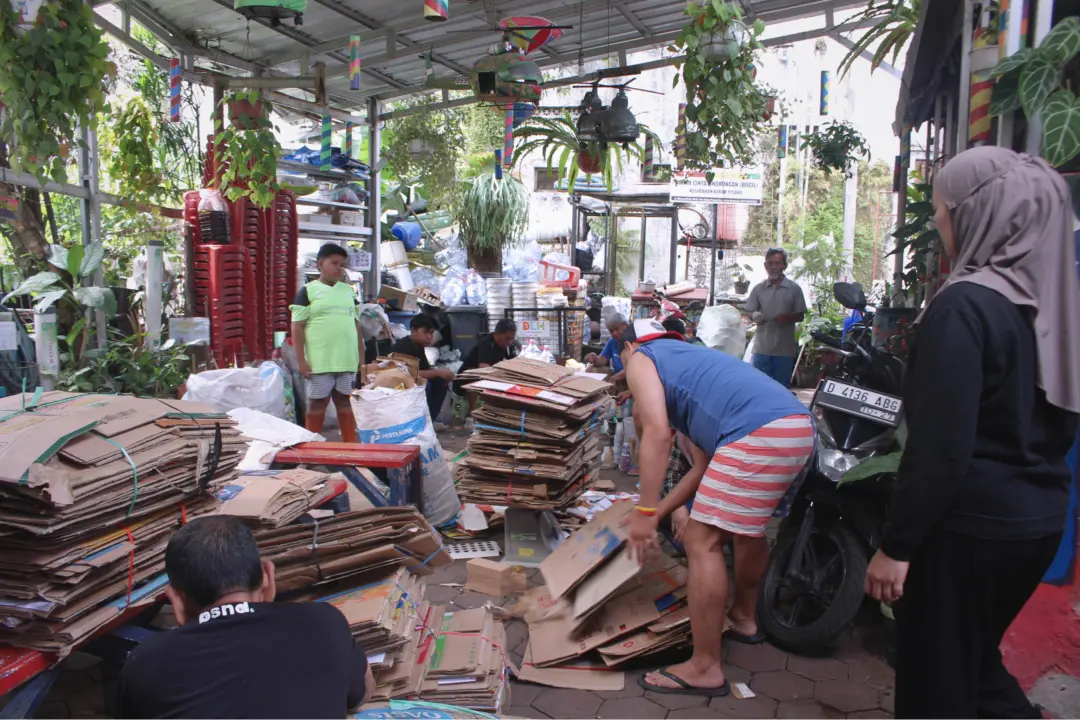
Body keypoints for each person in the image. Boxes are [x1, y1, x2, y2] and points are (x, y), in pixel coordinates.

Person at [862, 147, 1080, 719]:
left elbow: (939, 450)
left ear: (980, 214)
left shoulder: (965, 307)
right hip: (1037, 522)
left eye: (941, 210)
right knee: (975, 669)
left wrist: (896, 546)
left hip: (969, 533)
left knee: (937, 683)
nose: (937, 224)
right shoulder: (1051, 309)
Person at [616, 319, 813, 696]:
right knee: (745, 528)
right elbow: (702, 467)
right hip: (796, 427)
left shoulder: (641, 357)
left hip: (758, 432)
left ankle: (704, 667)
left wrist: (642, 513)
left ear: (628, 347)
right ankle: (743, 618)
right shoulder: (690, 367)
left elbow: (656, 432)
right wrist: (657, 512)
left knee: (701, 541)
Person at [118, 516, 373, 718]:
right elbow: (362, 694)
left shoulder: (145, 663)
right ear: (268, 577)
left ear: (177, 601)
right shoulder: (324, 622)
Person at [290, 243, 364, 443]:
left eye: (343, 264)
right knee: (317, 404)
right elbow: (297, 328)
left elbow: (356, 327)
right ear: (320, 264)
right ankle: (310, 449)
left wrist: (361, 360)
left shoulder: (349, 292)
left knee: (345, 404)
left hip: (347, 360)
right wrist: (301, 361)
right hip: (320, 362)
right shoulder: (307, 291)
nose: (339, 268)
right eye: (334, 263)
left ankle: (351, 448)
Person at [745, 248, 806, 387]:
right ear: (765, 265)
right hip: (762, 348)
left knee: (781, 389)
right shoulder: (758, 289)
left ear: (785, 266)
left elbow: (801, 315)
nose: (773, 267)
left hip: (784, 350)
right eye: (770, 263)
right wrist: (755, 315)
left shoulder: (794, 289)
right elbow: (749, 311)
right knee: (759, 387)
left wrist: (787, 318)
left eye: (778, 263)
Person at [392, 313, 455, 422]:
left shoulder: (419, 346)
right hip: (396, 384)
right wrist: (438, 372)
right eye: (426, 332)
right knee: (426, 385)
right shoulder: (404, 347)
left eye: (431, 333)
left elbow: (425, 369)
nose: (430, 337)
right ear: (413, 330)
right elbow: (410, 373)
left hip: (411, 379)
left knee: (441, 382)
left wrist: (444, 373)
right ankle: (419, 421)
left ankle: (431, 420)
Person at [453, 319, 518, 414]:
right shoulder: (486, 344)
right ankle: (474, 413)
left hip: (487, 376)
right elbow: (483, 368)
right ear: (498, 334)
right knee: (474, 377)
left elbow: (514, 363)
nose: (510, 342)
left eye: (512, 339)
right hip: (467, 379)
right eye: (507, 338)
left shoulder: (507, 346)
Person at [584, 314, 628, 382]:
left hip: (630, 376)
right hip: (616, 374)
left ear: (626, 326)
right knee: (590, 369)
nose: (614, 333)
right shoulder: (613, 341)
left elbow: (632, 370)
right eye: (611, 331)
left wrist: (614, 378)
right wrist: (595, 358)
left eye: (617, 329)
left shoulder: (634, 342)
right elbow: (602, 360)